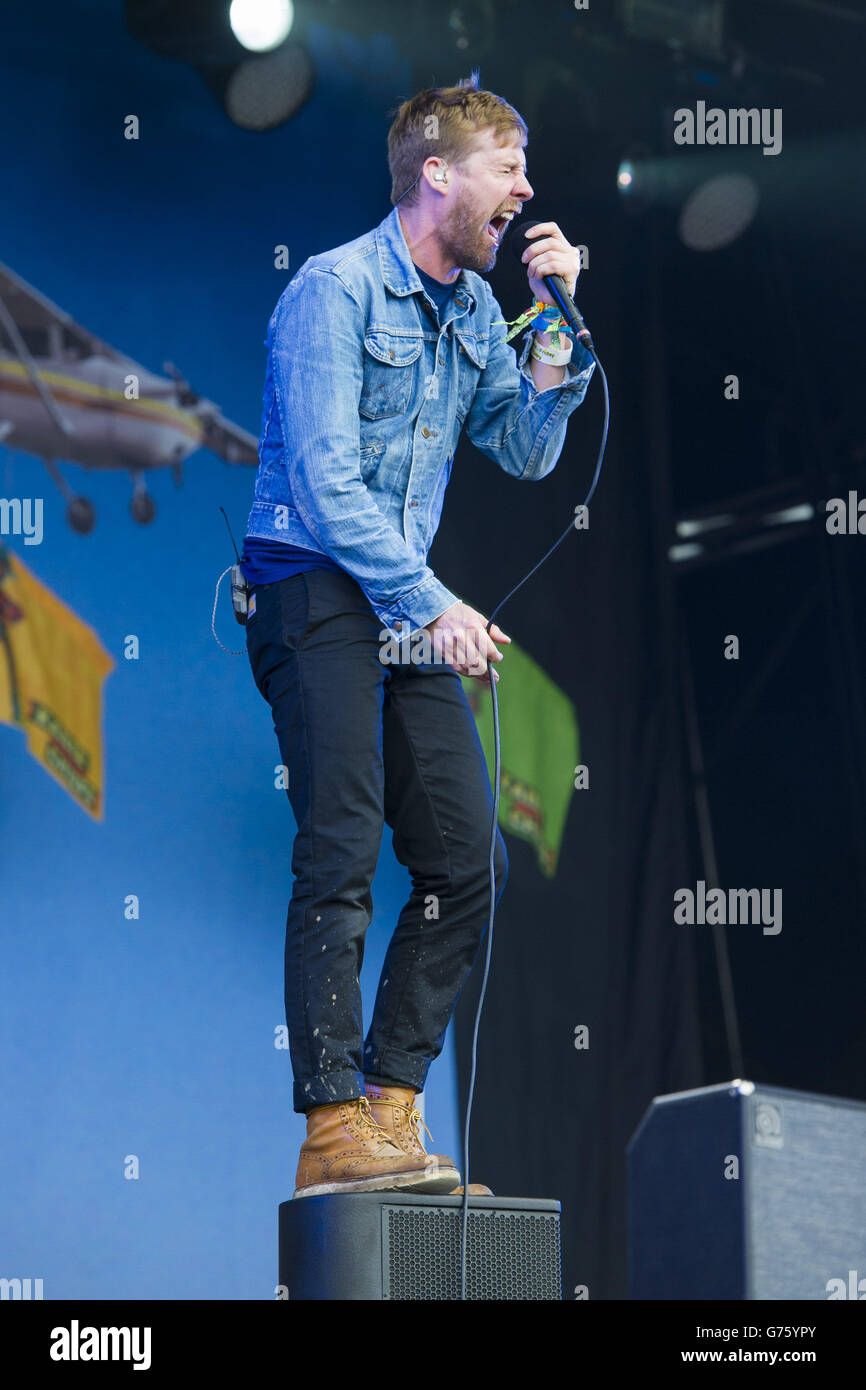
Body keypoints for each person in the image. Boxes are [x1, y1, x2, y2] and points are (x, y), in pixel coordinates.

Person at [241, 72, 595, 1198]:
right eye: (508, 165)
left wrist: (551, 330)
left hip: (394, 602)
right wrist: (434, 604)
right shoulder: (331, 291)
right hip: (310, 588)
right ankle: (331, 1121)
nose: (525, 188)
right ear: (436, 172)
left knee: (462, 860)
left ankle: (389, 1111)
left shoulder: (477, 310)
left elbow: (527, 448)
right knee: (340, 846)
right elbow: (328, 486)